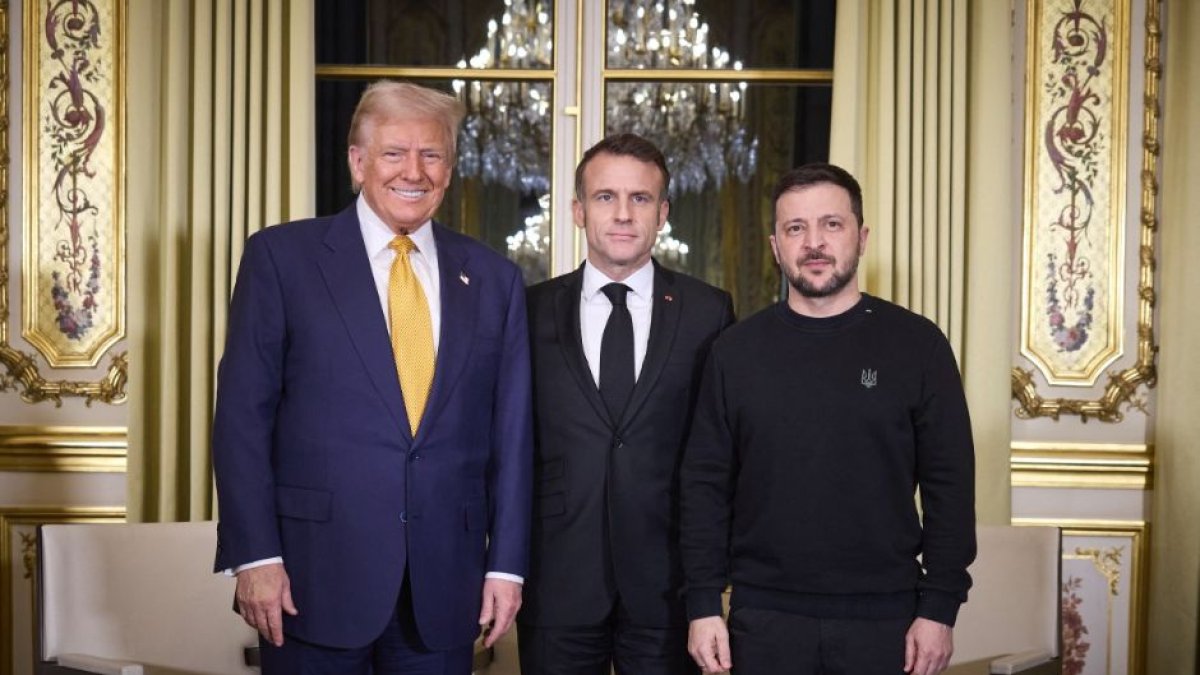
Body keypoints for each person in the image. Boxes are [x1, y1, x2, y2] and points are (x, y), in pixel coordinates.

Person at [211, 80, 532, 673]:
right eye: (394, 153)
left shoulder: (494, 279)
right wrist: (255, 556)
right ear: (358, 163)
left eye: (431, 154)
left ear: (449, 169)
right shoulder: (282, 259)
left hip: (445, 588)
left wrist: (506, 566)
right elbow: (241, 420)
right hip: (310, 580)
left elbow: (511, 438)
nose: (414, 171)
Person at [681, 163, 976, 675]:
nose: (813, 243)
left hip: (888, 620)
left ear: (862, 237)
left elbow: (949, 486)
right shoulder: (734, 352)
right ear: (776, 246)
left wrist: (939, 609)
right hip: (762, 618)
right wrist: (703, 604)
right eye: (795, 228)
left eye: (831, 224)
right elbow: (704, 485)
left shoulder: (918, 346)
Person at [518, 133, 735, 674]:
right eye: (605, 197)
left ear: (662, 213)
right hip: (556, 580)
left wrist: (710, 583)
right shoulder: (527, 310)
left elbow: (720, 453)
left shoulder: (708, 312)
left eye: (640, 198)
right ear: (578, 211)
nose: (622, 214)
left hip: (668, 587)